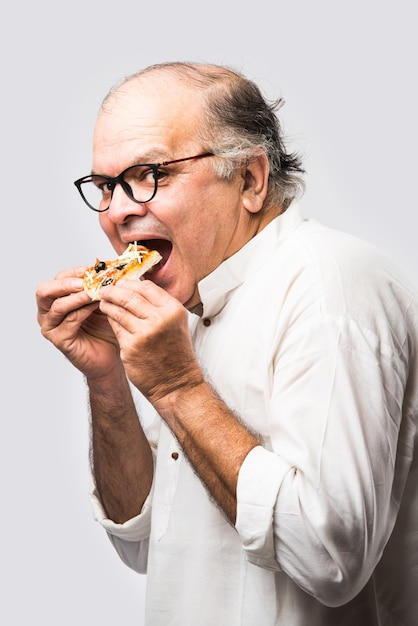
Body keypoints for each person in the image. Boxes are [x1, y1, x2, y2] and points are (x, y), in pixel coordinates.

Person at [36, 61, 418, 625]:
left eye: (149, 174)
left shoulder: (330, 284)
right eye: (106, 186)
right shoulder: (188, 301)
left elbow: (332, 562)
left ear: (250, 179)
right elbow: (140, 541)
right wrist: (108, 380)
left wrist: (177, 385)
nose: (118, 211)